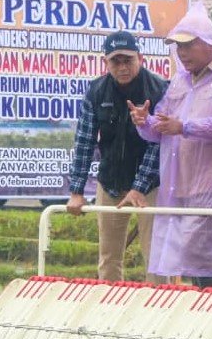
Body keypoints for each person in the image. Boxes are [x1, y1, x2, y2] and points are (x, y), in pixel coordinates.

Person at [130, 2, 212, 285]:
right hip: (181, 186)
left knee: (207, 265)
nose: (181, 53)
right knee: (191, 265)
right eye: (178, 47)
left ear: (209, 43)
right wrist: (144, 122)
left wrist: (184, 127)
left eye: (187, 46)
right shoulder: (180, 82)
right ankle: (207, 322)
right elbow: (161, 129)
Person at [67, 30, 168, 282]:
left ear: (140, 58)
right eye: (116, 61)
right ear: (106, 63)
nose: (122, 67)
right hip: (110, 182)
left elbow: (160, 146)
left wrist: (139, 187)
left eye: (128, 60)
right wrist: (77, 190)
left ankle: (159, 313)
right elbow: (85, 141)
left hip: (151, 185)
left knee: (156, 258)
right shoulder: (96, 91)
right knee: (109, 257)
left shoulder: (160, 90)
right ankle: (108, 311)